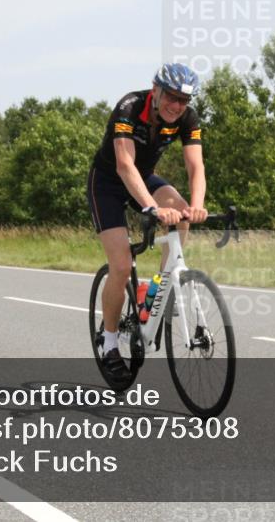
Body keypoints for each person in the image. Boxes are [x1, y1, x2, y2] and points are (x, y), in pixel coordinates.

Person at [87, 63, 208, 385]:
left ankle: (158, 287)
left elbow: (196, 167)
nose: (177, 105)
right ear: (155, 89)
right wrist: (152, 208)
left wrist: (196, 207)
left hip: (145, 179)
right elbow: (125, 166)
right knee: (122, 266)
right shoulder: (129, 107)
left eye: (184, 100)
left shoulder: (187, 118)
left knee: (182, 213)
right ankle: (110, 342)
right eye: (171, 96)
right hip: (109, 184)